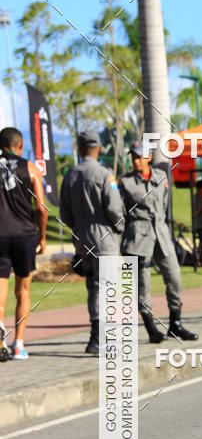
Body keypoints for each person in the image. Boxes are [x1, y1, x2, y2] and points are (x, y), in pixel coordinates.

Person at [120, 141, 197, 343]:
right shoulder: (126, 183)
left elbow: (163, 205)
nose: (136, 160)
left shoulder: (160, 177)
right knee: (142, 285)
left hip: (161, 234)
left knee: (174, 277)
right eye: (133, 157)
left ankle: (175, 324)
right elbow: (120, 213)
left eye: (139, 156)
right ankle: (151, 328)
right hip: (137, 237)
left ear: (149, 157)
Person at [60, 130, 124, 355]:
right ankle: (98, 338)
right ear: (98, 148)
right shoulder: (105, 175)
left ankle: (97, 334)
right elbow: (115, 208)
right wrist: (120, 227)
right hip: (103, 236)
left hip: (81, 238)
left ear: (79, 149)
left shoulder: (70, 176)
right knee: (104, 287)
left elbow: (65, 215)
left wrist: (78, 228)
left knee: (92, 286)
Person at [0, 127, 46, 360]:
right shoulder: (30, 168)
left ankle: (0, 336)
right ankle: (18, 344)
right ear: (20, 145)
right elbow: (40, 207)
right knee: (23, 290)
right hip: (24, 235)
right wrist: (42, 236)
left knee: (1, 288)